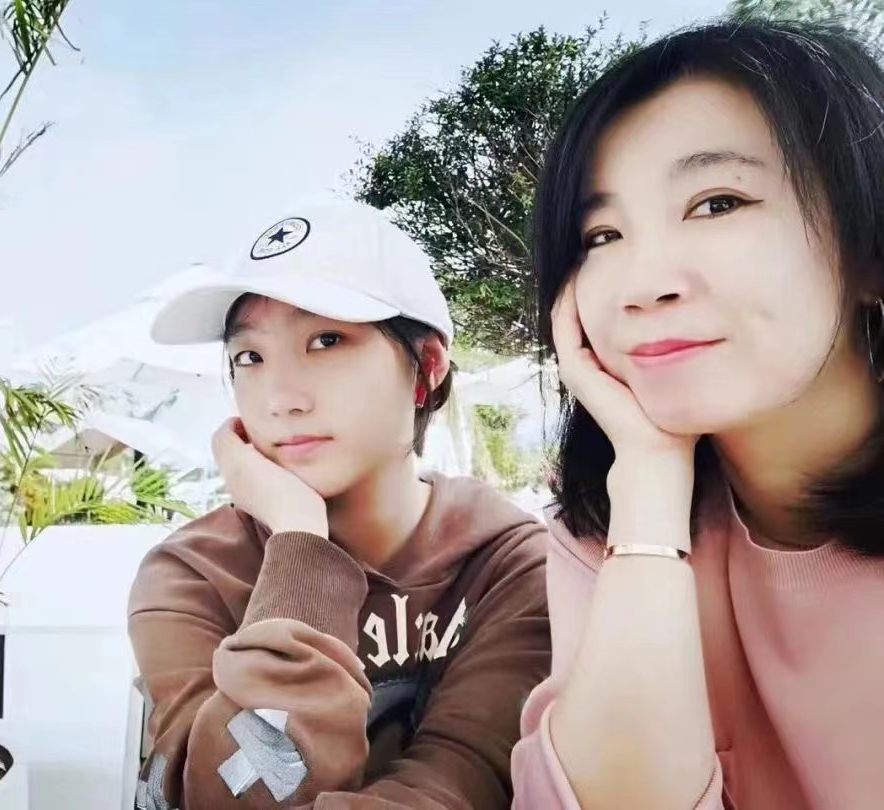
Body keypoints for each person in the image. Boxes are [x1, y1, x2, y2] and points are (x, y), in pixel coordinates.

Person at [510, 17, 884, 810]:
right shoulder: (604, 532)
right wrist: (648, 481)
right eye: (600, 235)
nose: (644, 283)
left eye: (718, 203)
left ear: (868, 249)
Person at [129, 201, 550, 808]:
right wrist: (300, 542)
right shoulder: (191, 574)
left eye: (326, 341)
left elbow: (458, 787)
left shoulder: (509, 567)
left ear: (426, 369)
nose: (281, 398)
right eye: (250, 357)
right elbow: (233, 798)